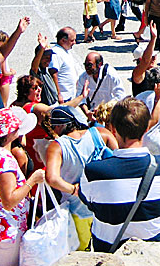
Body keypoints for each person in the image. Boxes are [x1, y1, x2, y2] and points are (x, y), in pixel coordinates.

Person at [79, 98, 160, 252]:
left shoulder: (93, 172)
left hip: (110, 252)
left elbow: (89, 203)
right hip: (153, 252)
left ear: (113, 129)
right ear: (146, 128)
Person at [0, 107, 45, 266]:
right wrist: (32, 181)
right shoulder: (4, 161)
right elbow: (8, 201)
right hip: (6, 227)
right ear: (10, 133)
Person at [45, 106, 117, 251]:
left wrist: (74, 190)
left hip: (77, 211)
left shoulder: (57, 146)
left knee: (83, 255)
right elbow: (119, 160)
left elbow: (52, 178)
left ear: (59, 126)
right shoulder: (101, 133)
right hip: (106, 207)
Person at [77, 52, 126, 120]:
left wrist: (103, 108)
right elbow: (80, 98)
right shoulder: (83, 77)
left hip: (109, 114)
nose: (86, 68)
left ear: (99, 64)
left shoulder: (111, 76)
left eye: (89, 65)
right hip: (93, 114)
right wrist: (87, 112)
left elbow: (120, 96)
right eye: (85, 65)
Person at [49, 27, 80, 103]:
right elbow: (53, 73)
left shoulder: (65, 51)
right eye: (72, 40)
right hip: (63, 97)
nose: (74, 42)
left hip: (70, 95)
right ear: (63, 40)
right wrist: (59, 94)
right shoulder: (56, 53)